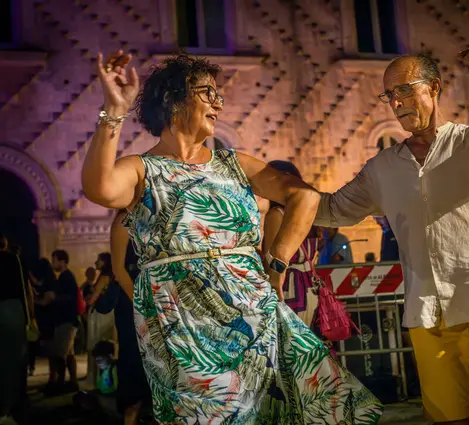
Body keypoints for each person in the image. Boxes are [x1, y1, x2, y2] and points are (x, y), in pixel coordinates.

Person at [81, 50, 382, 424]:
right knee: (207, 414)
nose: (218, 103)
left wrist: (276, 264)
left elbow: (303, 196)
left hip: (252, 313)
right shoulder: (144, 169)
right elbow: (99, 189)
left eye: (218, 95)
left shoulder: (234, 163)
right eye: (208, 93)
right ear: (173, 99)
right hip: (183, 323)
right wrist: (114, 110)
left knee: (282, 409)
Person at [315, 44, 469, 425]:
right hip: (428, 310)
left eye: (404, 89)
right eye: (389, 94)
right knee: (449, 418)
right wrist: (257, 183)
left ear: (433, 88)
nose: (395, 102)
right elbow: (332, 210)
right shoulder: (382, 167)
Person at [262, 160, 320, 326]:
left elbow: (271, 260)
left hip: (288, 288)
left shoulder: (276, 214)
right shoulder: (309, 213)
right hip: (310, 288)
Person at [111, 210, 153, 425]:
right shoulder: (124, 218)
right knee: (134, 356)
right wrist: (141, 303)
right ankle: (131, 413)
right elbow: (118, 269)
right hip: (134, 298)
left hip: (162, 298)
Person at [0, 233, 31, 425]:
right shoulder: (11, 258)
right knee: (12, 361)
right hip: (11, 310)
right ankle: (9, 408)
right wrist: (28, 319)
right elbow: (21, 287)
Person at [48, 249, 80, 395]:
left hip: (66, 321)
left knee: (59, 354)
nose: (52, 263)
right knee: (68, 354)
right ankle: (73, 382)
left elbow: (70, 298)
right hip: (69, 320)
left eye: (54, 260)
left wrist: (54, 298)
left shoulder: (66, 277)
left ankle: (60, 383)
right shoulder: (66, 277)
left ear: (62, 261)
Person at [85, 253, 117, 390]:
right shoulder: (114, 277)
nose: (95, 262)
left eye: (98, 260)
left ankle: (95, 382)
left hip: (100, 316)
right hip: (109, 315)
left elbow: (92, 299)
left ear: (104, 262)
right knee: (107, 348)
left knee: (96, 347)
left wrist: (87, 299)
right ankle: (108, 381)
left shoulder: (104, 277)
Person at [29, 258, 58, 377]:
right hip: (47, 318)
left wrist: (32, 300)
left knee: (51, 350)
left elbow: (45, 301)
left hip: (48, 319)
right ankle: (52, 376)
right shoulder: (48, 279)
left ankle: (53, 377)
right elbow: (38, 284)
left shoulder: (50, 282)